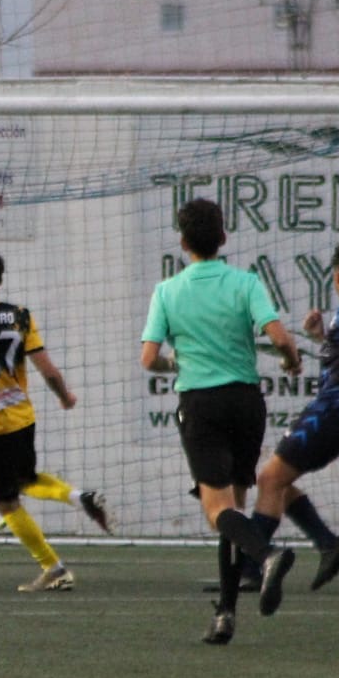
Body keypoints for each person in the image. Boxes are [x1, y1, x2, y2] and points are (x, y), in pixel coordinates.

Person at [140, 197, 303, 645]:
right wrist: (291, 361)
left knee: (218, 513)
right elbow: (280, 336)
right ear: (223, 238)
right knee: (234, 510)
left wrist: (176, 363)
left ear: (182, 243)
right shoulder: (245, 282)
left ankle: (267, 555)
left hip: (202, 404)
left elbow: (149, 359)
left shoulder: (167, 291)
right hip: (246, 402)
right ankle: (226, 615)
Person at [0, 250, 114, 593]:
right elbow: (48, 370)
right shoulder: (20, 317)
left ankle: (53, 568)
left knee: (5, 501)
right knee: (25, 479)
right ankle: (78, 496)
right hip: (23, 420)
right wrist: (64, 396)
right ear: (0, 281)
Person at [251, 244, 339, 591]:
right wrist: (321, 337)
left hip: (333, 412)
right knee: (278, 481)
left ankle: (252, 568)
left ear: (338, 276)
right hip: (330, 409)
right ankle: (328, 544)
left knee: (270, 479)